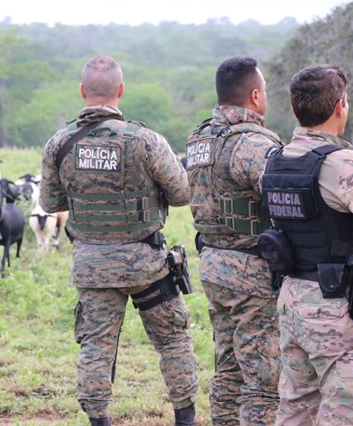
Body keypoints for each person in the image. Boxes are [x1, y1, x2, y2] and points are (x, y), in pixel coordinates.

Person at [39, 55, 199, 426]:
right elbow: (180, 193)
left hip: (93, 266)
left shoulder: (59, 144)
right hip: (146, 263)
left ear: (82, 92)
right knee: (173, 340)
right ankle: (185, 418)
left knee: (96, 345)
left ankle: (99, 420)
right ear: (121, 91)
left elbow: (49, 203)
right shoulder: (146, 141)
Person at [261, 64, 353, 426]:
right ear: (340, 107)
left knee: (296, 408)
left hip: (292, 303)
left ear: (294, 110)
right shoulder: (346, 166)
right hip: (339, 309)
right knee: (346, 411)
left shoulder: (273, 163)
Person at [184, 56, 282, 425]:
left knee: (228, 368)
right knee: (262, 380)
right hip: (251, 272)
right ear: (255, 96)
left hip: (213, 266)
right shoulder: (252, 143)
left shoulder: (199, 138)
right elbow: (287, 197)